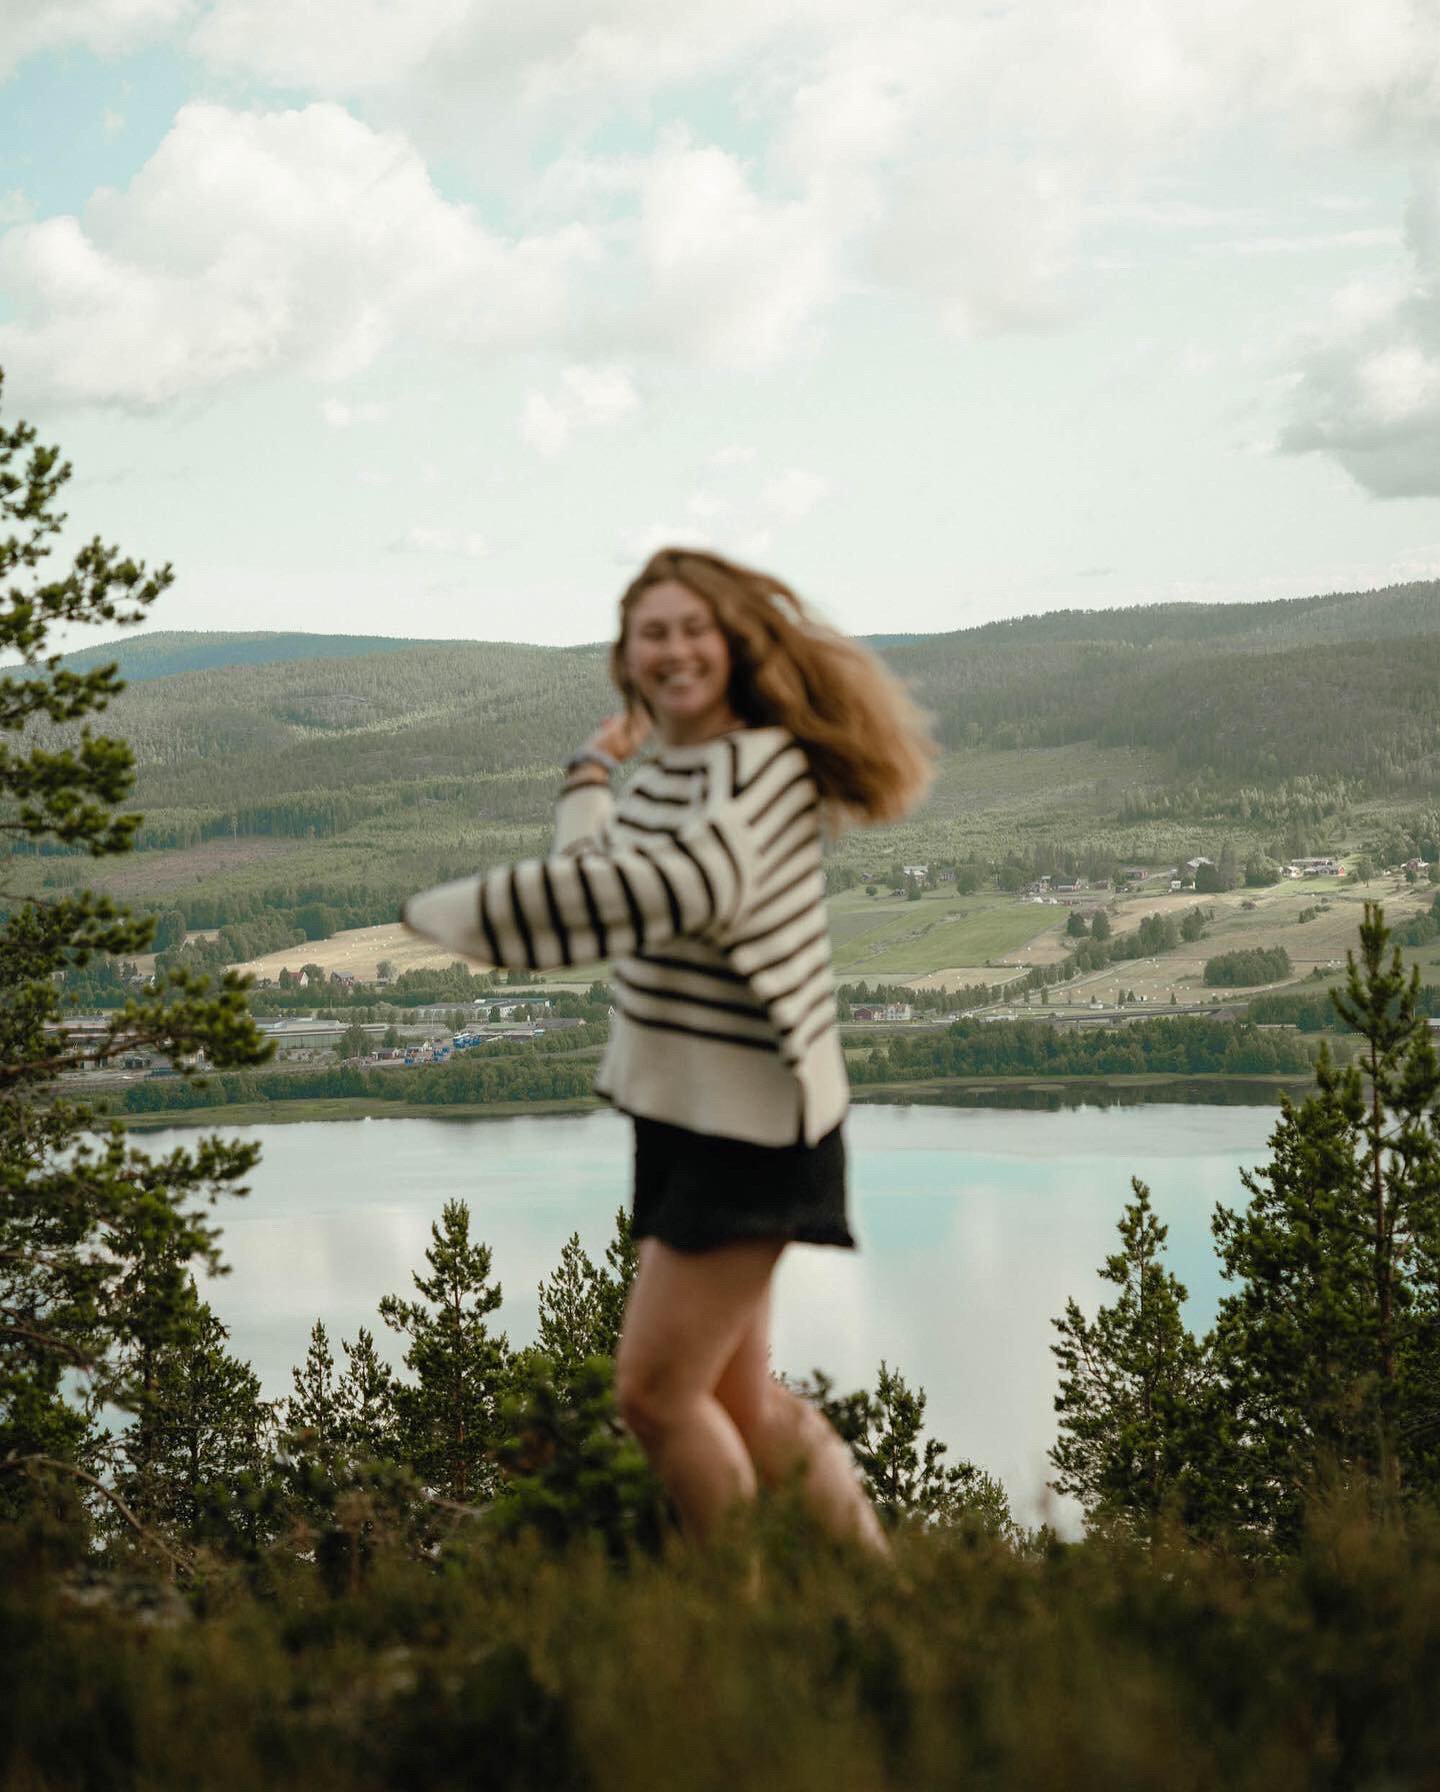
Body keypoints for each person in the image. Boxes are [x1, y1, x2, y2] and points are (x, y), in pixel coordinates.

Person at [403, 546, 934, 1550]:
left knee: (653, 1395)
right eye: (654, 631)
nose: (676, 648)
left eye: (695, 628)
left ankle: (739, 1622)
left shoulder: (767, 772)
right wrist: (592, 772)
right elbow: (597, 876)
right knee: (739, 1404)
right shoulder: (662, 780)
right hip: (686, 1121)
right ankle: (883, 1591)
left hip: (757, 1129)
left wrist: (463, 916)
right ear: (627, 658)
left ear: (733, 645)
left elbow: (681, 888)